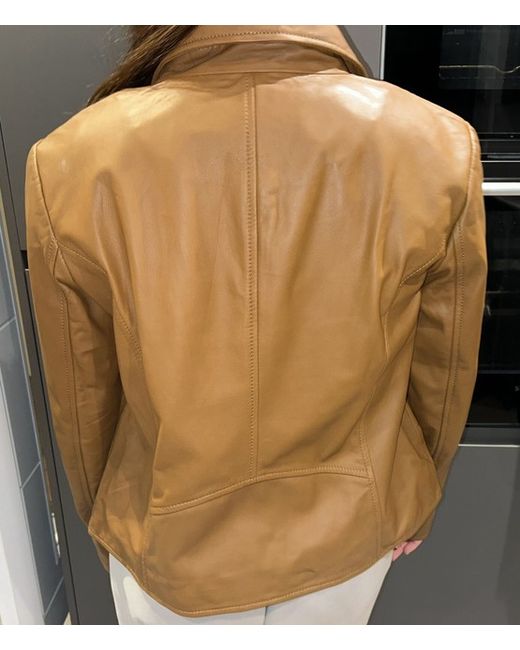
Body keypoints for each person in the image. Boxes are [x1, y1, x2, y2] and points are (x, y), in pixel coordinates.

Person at [24, 25, 488, 624]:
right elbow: (443, 365)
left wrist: (107, 522)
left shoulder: (70, 157)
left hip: (167, 541)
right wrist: (414, 497)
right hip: (350, 529)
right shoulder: (436, 141)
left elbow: (81, 390)